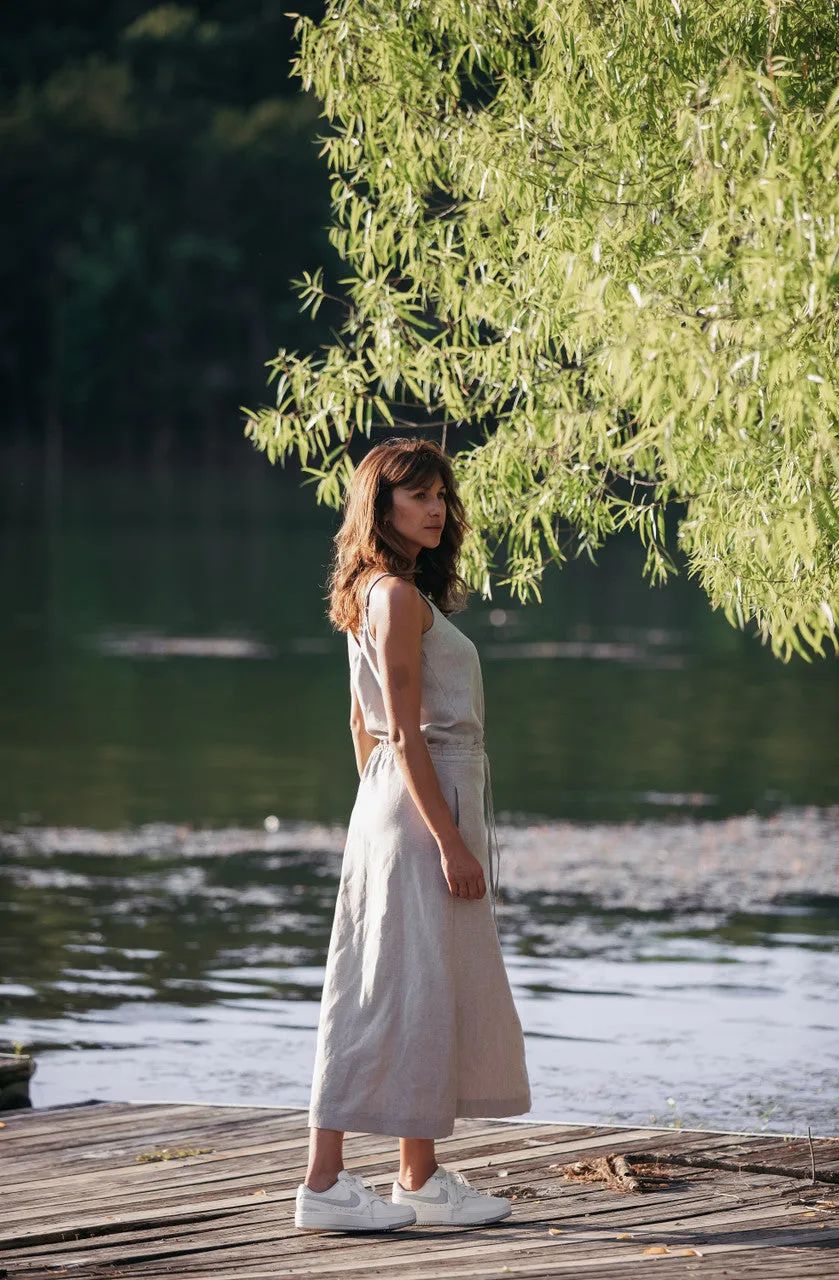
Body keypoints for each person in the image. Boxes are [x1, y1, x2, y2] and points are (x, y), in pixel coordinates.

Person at [295, 437, 531, 1232]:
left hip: (398, 803)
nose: (435, 509)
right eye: (418, 496)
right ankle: (324, 1184)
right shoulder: (393, 596)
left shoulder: (379, 591)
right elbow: (401, 732)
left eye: (440, 495)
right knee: (383, 991)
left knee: (415, 985)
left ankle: (418, 1177)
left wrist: (378, 813)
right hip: (422, 805)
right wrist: (444, 839)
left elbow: (360, 729)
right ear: (381, 505)